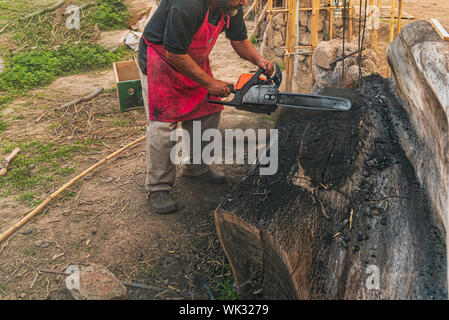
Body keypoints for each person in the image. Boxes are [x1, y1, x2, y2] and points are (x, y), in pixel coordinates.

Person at [138, 0, 274, 214]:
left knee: (208, 113)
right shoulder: (187, 5)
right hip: (162, 61)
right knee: (163, 126)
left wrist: (259, 60)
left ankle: (196, 168)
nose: (244, 1)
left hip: (192, 60)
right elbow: (174, 53)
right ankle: (158, 188)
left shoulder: (230, 7)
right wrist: (209, 83)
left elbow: (238, 40)